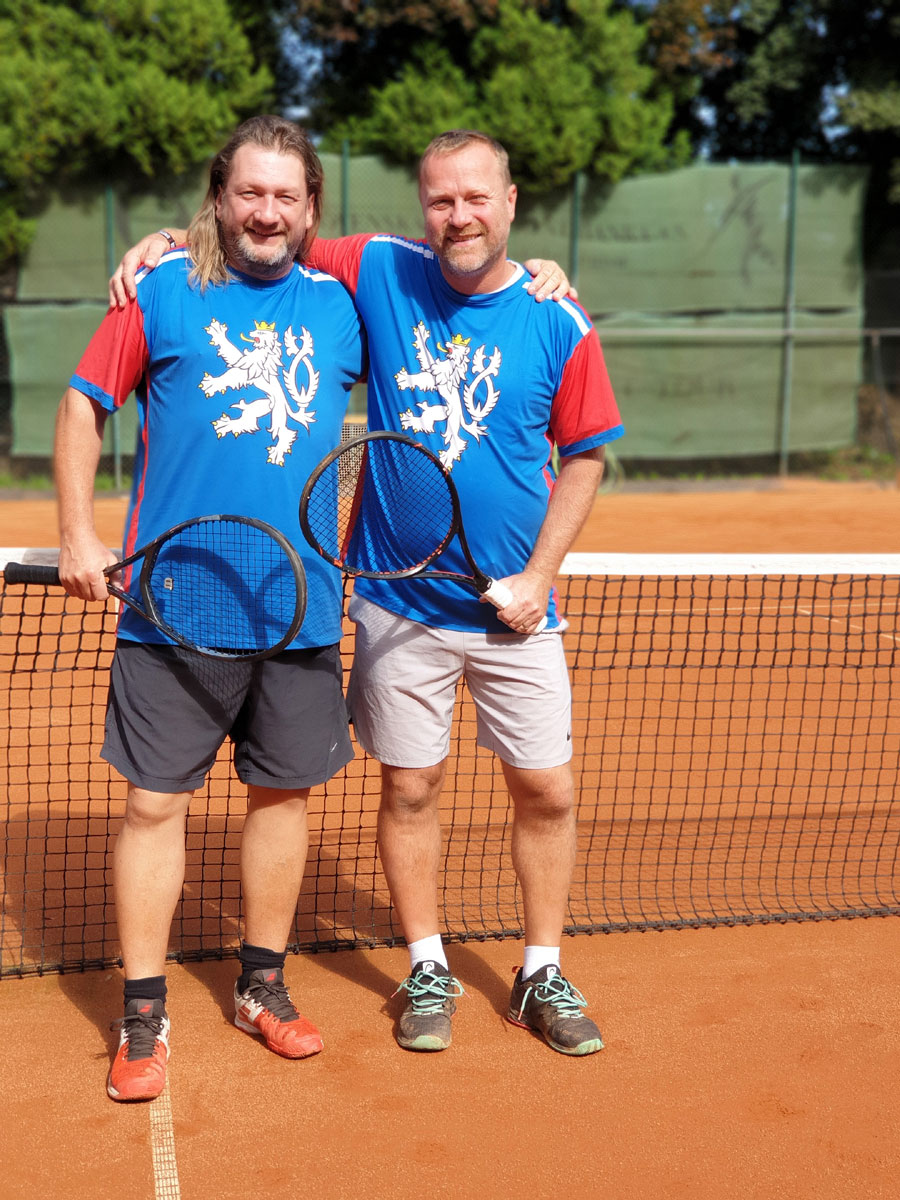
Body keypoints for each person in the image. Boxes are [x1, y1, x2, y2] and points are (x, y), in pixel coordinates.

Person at [112, 129, 623, 1058]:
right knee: (410, 786)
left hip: (516, 607)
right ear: (422, 207)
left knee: (548, 789)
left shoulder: (557, 315)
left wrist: (539, 577)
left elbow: (586, 453)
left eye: (477, 198)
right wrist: (168, 239)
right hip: (399, 602)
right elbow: (265, 228)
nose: (459, 215)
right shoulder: (380, 268)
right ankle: (427, 964)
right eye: (441, 199)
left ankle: (541, 969)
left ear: (511, 204)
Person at [58, 115, 368, 1101]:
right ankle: (142, 1010)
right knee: (153, 805)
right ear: (219, 199)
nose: (266, 212)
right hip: (174, 605)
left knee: (283, 799)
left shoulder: (345, 302)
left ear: (311, 209)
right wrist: (78, 534)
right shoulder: (161, 287)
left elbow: (447, 272)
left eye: (286, 195)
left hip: (300, 605)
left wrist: (540, 273)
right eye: (249, 192)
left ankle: (260, 986)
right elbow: (82, 404)